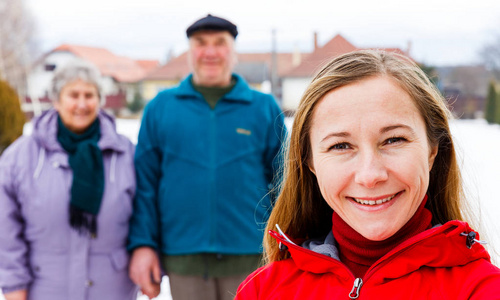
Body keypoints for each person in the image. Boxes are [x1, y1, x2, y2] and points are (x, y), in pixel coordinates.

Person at [235, 50, 500, 299]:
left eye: (393, 140)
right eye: (340, 146)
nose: (369, 175)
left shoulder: (482, 289)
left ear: (432, 151)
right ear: (311, 162)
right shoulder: (263, 291)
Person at [127, 14, 286, 300]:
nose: (210, 52)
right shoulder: (161, 108)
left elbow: (285, 184)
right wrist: (143, 245)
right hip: (183, 257)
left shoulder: (262, 107)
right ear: (189, 51)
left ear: (233, 51)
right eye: (201, 43)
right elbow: (144, 185)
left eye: (220, 43)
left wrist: (289, 243)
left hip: (252, 257)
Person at [0, 61, 137, 300]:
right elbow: (5, 229)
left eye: (89, 95)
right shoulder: (22, 156)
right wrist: (13, 285)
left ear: (100, 100)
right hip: (44, 288)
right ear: (56, 100)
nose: (82, 104)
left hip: (112, 288)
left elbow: (147, 212)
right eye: (73, 95)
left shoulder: (125, 153)